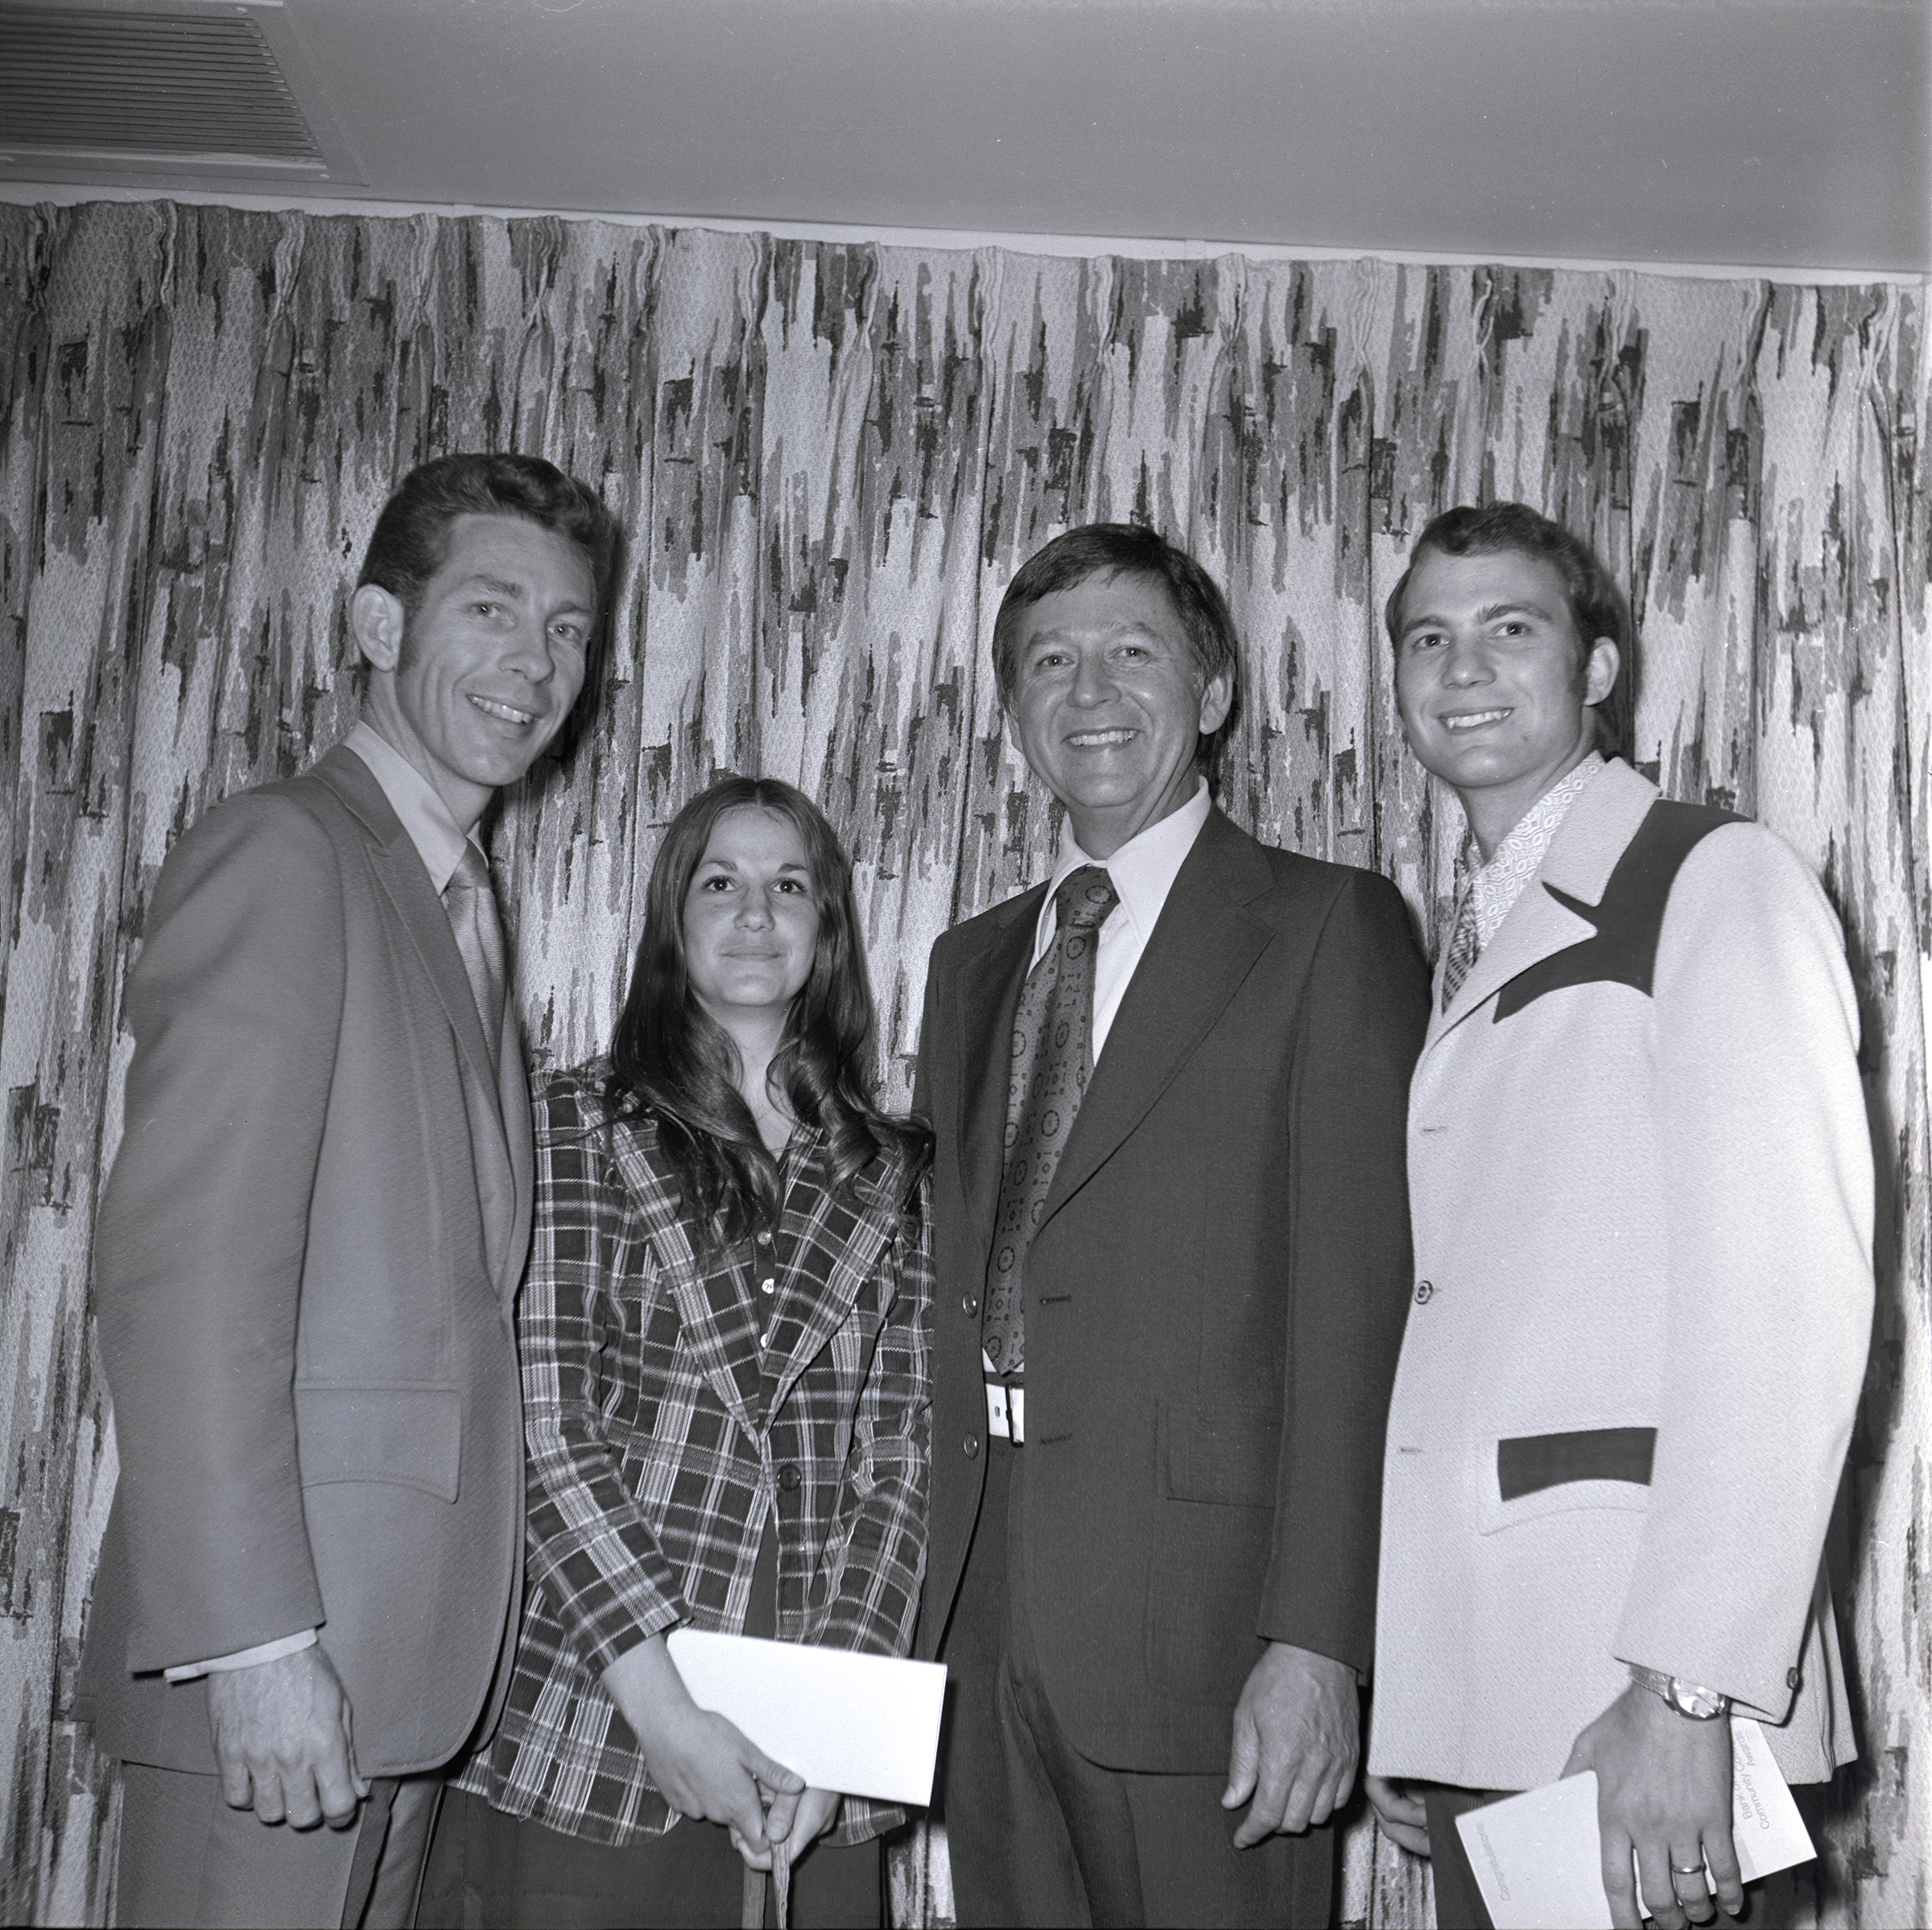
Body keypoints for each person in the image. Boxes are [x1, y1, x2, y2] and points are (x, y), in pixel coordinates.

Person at [76, 452, 619, 1928]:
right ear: (380, 626)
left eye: (568, 630)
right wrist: (255, 1646)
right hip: (279, 1676)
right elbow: (186, 1277)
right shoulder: (289, 852)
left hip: (400, 1675)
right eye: (492, 610)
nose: (537, 664)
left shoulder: (455, 897)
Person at [1364, 501, 1873, 1930]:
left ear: (1597, 668)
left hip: (1650, 1700)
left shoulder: (1712, 879)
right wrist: (1424, 1686)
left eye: (1510, 629)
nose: (1465, 668)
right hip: (1498, 1686)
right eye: (1429, 639)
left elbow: (1789, 1305)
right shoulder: (1477, 930)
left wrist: (1685, 1690)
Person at [913, 522, 1431, 1927]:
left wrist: (1320, 1641)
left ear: (1211, 692)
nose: (1088, 693)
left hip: (1216, 1637)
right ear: (1012, 709)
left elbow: (1359, 1315)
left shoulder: (1328, 928)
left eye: (1131, 653)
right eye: (1049, 664)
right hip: (980, 1620)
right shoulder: (969, 965)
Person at [417, 775, 933, 1930]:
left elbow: (902, 1468)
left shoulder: (897, 1175)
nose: (755, 912)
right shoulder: (573, 1123)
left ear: (827, 927)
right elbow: (546, 1426)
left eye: (788, 886)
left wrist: (831, 1742)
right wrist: (664, 1710)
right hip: (598, 1722)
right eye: (720, 882)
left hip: (811, 1759)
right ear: (673, 921)